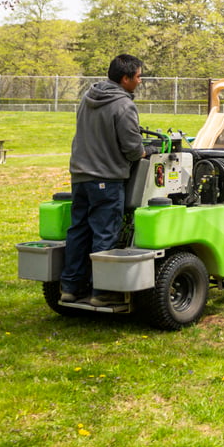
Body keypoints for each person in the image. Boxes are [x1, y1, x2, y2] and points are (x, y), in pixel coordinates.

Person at [60, 53, 146, 306]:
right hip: (106, 179)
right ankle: (102, 291)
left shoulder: (87, 98)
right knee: (105, 232)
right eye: (139, 77)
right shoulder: (124, 105)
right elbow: (132, 149)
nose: (140, 82)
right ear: (125, 78)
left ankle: (70, 287)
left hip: (80, 176)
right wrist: (144, 150)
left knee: (78, 231)